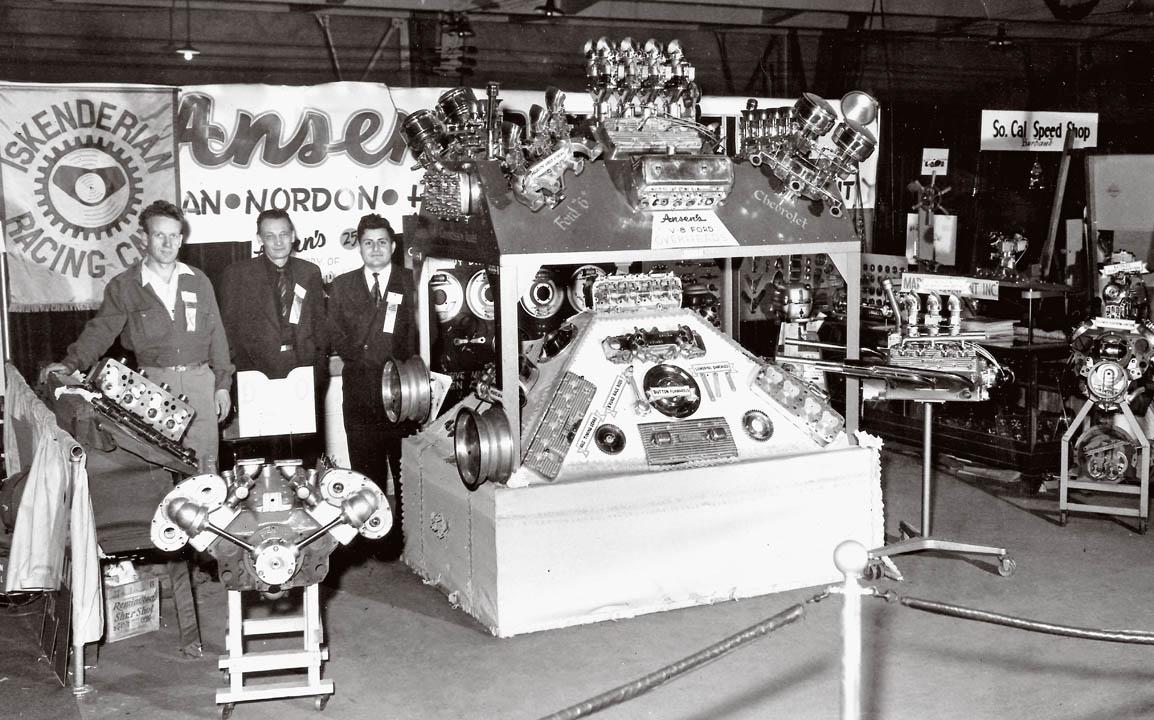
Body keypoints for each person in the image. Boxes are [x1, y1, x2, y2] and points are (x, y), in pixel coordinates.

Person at [41, 200, 233, 472]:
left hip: (200, 382)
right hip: (155, 387)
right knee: (164, 468)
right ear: (144, 238)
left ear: (181, 239)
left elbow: (217, 336)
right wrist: (72, 363)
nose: (167, 244)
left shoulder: (198, 280)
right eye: (159, 235)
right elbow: (101, 331)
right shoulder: (125, 285)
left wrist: (222, 384)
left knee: (206, 468)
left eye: (174, 236)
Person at [327, 213, 417, 558]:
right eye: (368, 243)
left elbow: (423, 334)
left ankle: (416, 541)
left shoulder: (411, 281)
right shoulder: (343, 286)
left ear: (393, 246)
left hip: (404, 392)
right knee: (368, 473)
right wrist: (365, 355)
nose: (376, 249)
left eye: (382, 242)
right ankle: (380, 543)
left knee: (406, 471)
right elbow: (335, 334)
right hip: (361, 392)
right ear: (359, 247)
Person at [218, 209, 328, 463]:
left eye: (283, 234)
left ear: (293, 236)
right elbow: (229, 331)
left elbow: (320, 327)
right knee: (266, 457)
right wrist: (245, 376)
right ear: (259, 239)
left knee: (304, 456)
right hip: (258, 376)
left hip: (302, 373)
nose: (278, 242)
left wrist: (317, 371)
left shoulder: (309, 272)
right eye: (270, 236)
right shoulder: (238, 274)